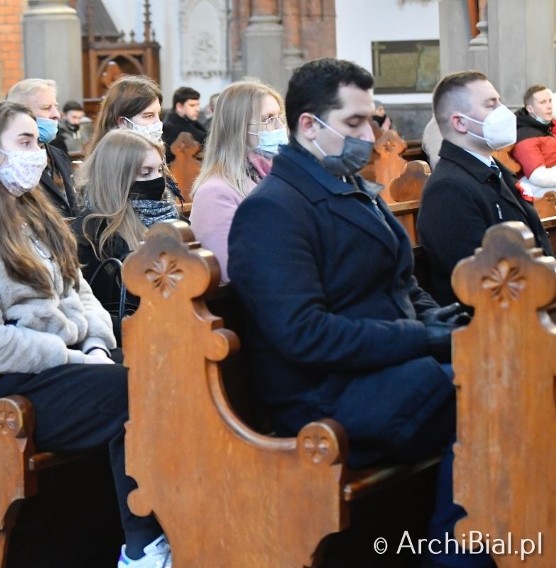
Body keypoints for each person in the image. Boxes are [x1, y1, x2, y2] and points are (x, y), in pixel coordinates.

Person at [228, 58, 492, 568]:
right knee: (494, 394)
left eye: (371, 120)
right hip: (325, 397)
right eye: (353, 123)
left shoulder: (348, 188)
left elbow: (405, 284)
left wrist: (451, 323)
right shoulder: (273, 210)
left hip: (386, 373)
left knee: (506, 371)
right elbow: (304, 335)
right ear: (309, 125)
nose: (369, 134)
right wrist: (425, 338)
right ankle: (456, 556)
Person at [0, 100, 172, 568]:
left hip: (58, 363)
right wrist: (72, 358)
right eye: (25, 142)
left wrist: (94, 343)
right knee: (131, 391)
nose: (39, 153)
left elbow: (79, 290)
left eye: (38, 141)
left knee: (162, 373)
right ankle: (144, 548)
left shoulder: (35, 217)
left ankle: (157, 523)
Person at [418, 71, 553, 306]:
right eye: (491, 105)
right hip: (497, 326)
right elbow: (479, 282)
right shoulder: (448, 189)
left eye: (499, 102)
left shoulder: (494, 170)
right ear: (459, 122)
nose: (504, 112)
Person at [72, 130, 166, 338]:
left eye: (160, 170)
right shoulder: (94, 233)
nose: (157, 180)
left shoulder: (167, 216)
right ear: (117, 177)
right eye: (145, 173)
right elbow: (98, 304)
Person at [189, 79, 285, 283]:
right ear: (239, 127)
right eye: (268, 119)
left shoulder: (270, 176)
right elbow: (231, 272)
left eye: (279, 117)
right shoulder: (215, 192)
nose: (279, 127)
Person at [89, 74, 184, 216]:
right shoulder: (105, 172)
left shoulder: (157, 157)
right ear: (122, 122)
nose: (157, 123)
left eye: (159, 115)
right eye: (148, 116)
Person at [7, 78, 79, 218]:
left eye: (56, 107)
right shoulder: (10, 160)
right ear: (21, 114)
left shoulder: (58, 155)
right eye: (46, 108)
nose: (56, 115)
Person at [511, 84, 556, 197]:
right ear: (530, 108)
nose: (549, 106)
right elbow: (538, 177)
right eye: (542, 102)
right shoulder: (525, 137)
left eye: (550, 101)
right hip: (541, 191)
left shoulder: (547, 126)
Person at [162, 86, 208, 164]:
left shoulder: (191, 122)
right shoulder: (170, 128)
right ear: (179, 106)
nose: (197, 109)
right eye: (192, 105)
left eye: (198, 105)